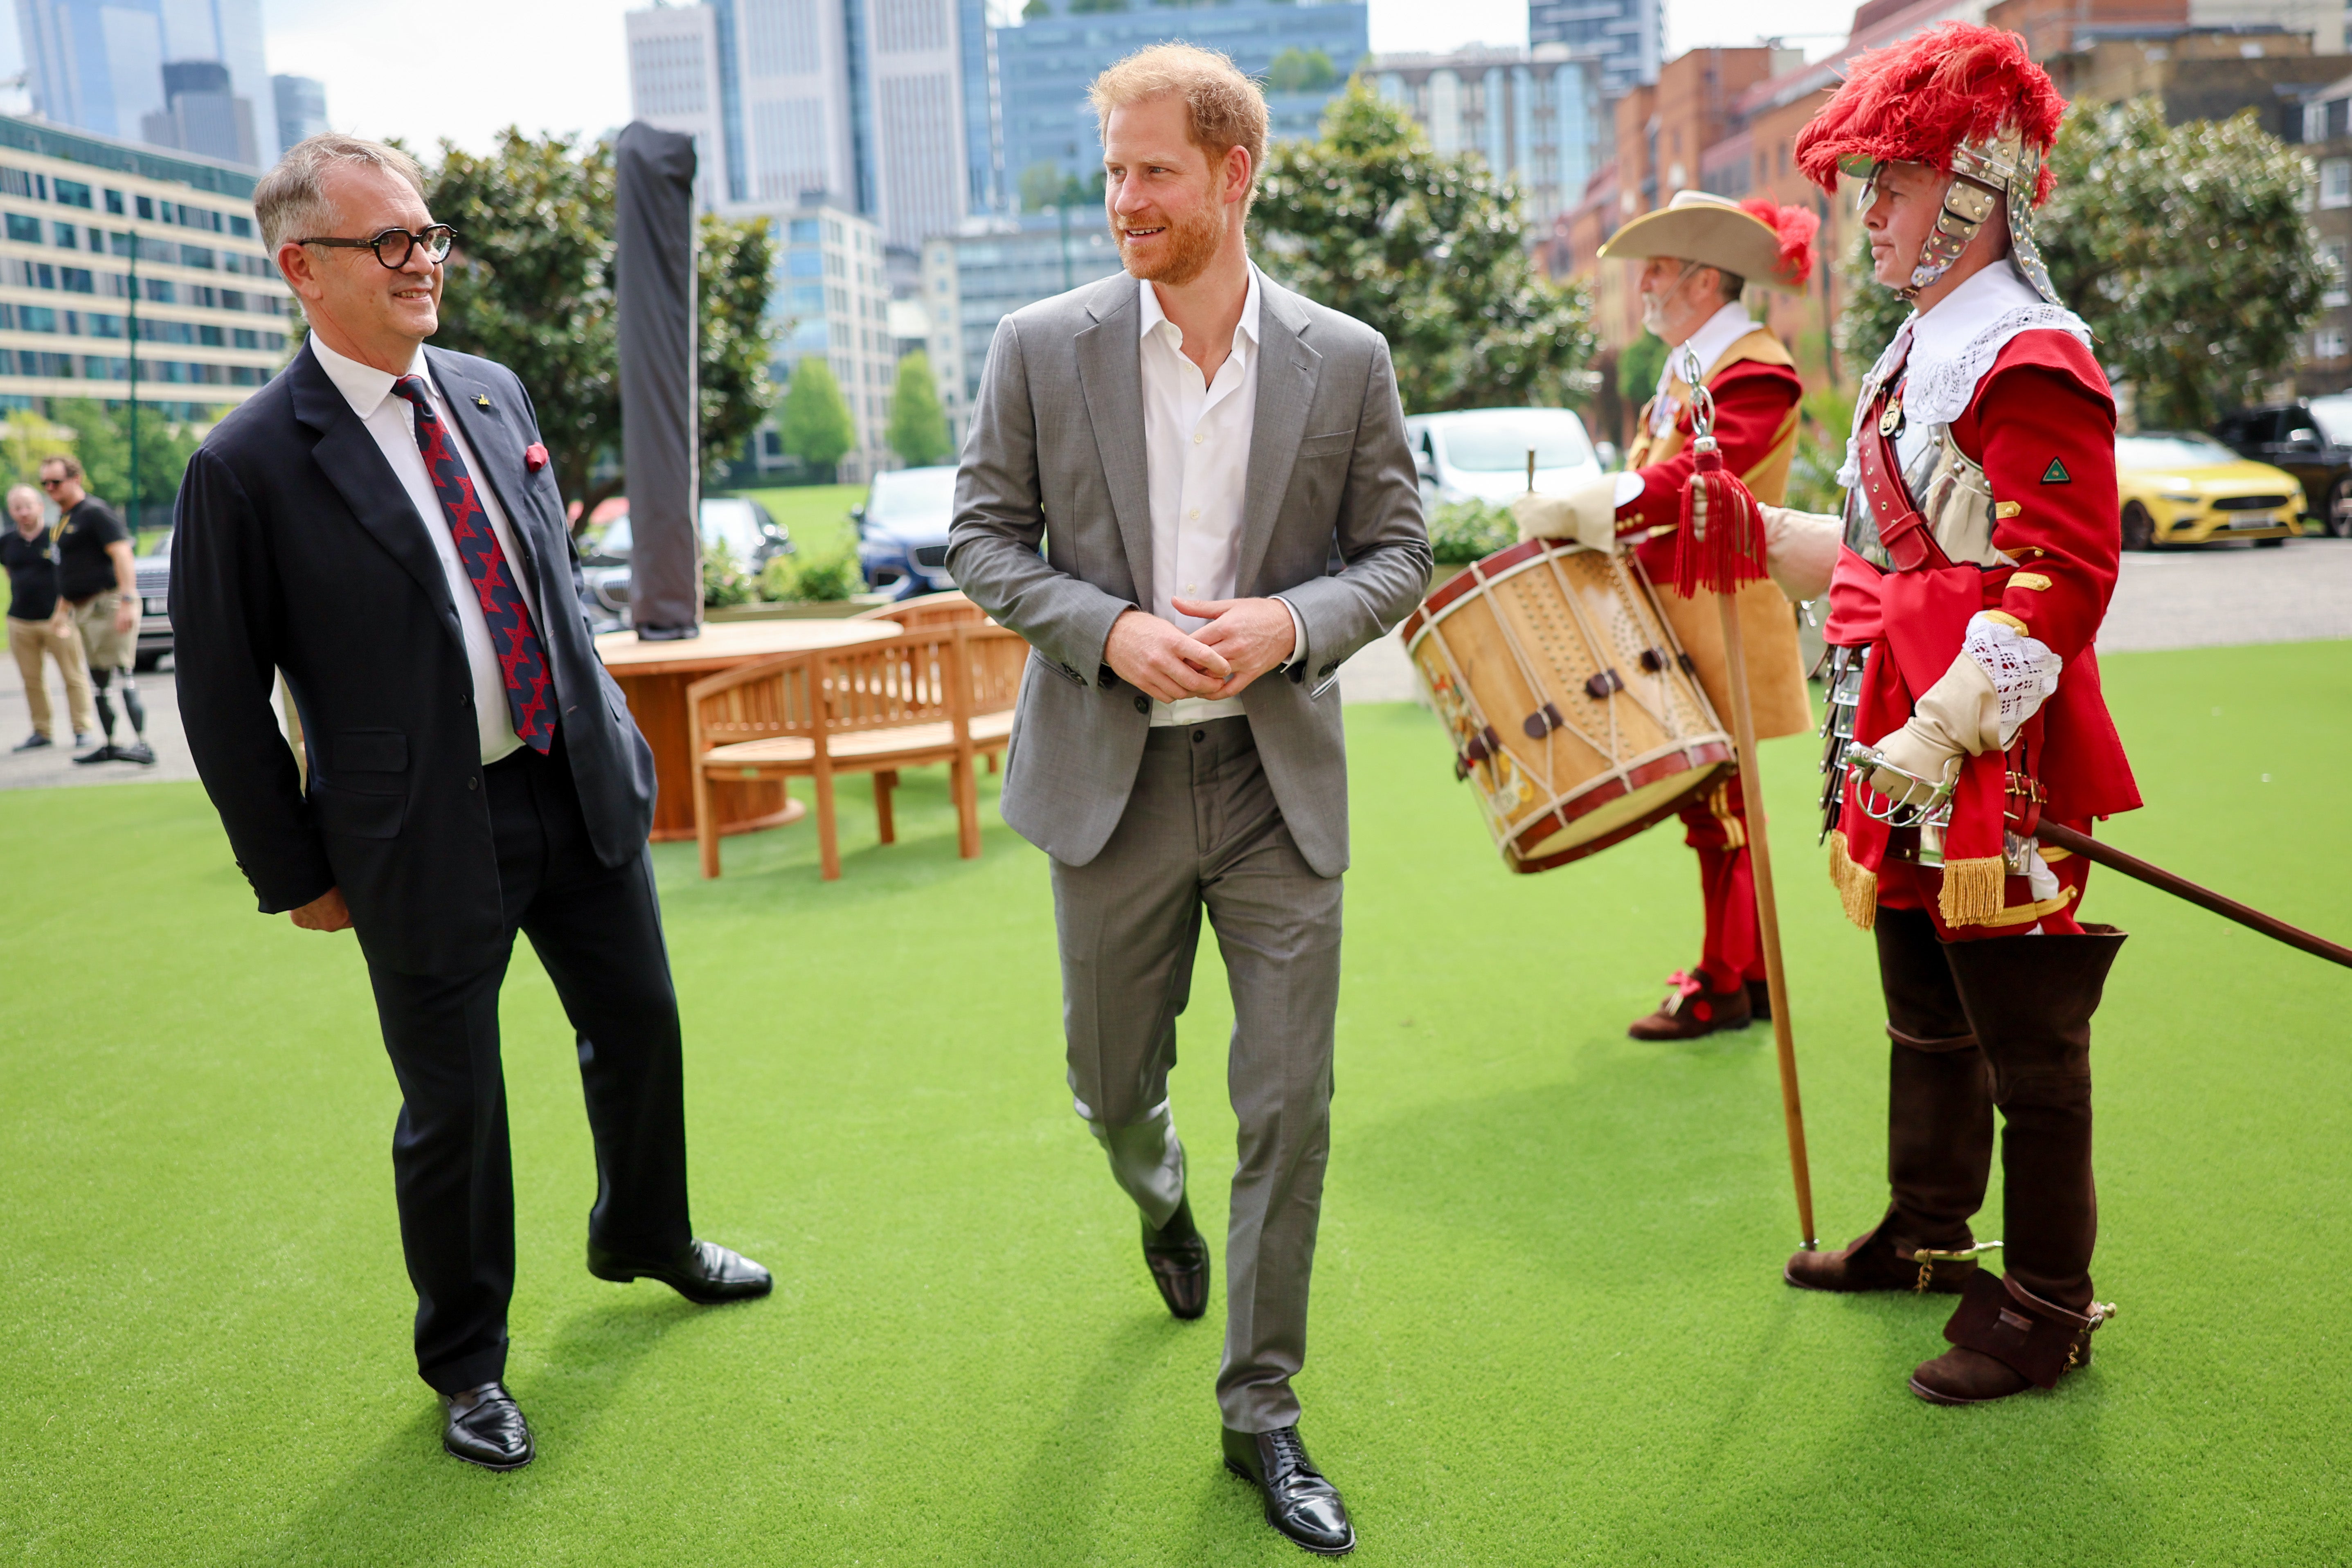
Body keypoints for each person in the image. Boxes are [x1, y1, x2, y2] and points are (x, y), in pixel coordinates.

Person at [170, 133, 771, 1472]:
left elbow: (550, 595)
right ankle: (467, 1365)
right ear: (300, 270)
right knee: (456, 1107)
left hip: (574, 788)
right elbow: (218, 700)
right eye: (389, 242)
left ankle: (646, 1231)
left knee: (642, 1026)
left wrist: (612, 741)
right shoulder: (247, 464)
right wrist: (295, 871)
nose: (422, 262)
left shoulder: (492, 395)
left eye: (429, 235)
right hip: (413, 837)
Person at [949, 45, 1429, 1556]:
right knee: (1109, 1084)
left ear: (1233, 176)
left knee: (1287, 1108)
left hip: (1277, 786)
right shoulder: (1039, 344)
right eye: (1110, 172)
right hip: (1111, 781)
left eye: (1151, 172)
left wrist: (1288, 624)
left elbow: (1396, 551)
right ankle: (1153, 1192)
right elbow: (979, 540)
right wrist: (1109, 630)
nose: (1121, 201)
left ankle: (1260, 1412)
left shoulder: (1342, 358)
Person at [1769, 24, 2140, 1405]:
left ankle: (2043, 1301)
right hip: (1898, 729)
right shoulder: (1916, 349)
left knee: (2025, 1041)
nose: (1865, 210)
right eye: (1865, 184)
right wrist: (1738, 527)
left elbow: (2061, 576)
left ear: (1973, 196)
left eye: (1892, 181)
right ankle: (1926, 1229)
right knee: (1921, 1003)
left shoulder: (2025, 352)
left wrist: (1947, 722)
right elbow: (1887, 559)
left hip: (1996, 749)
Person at [1512, 191, 1820, 1040]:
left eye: (1656, 268)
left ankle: (1722, 982)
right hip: (1680, 614)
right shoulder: (1694, 368)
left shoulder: (1754, 366)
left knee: (1722, 809)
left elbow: (1696, 481)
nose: (1642, 283)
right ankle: (1746, 974)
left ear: (1702, 279)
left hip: (1720, 613)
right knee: (1712, 807)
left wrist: (1593, 500)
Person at [46, 455, 153, 765]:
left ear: (76, 479)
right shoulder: (64, 519)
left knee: (122, 673)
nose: (50, 488)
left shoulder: (95, 512)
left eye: (56, 481)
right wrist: (61, 612)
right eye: (46, 483)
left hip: (107, 603)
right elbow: (69, 571)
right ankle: (111, 744)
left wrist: (128, 600)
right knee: (98, 679)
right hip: (82, 608)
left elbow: (122, 553)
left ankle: (143, 744)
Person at [4, 481, 98, 751]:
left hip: (57, 618)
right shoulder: (7, 541)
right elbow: (10, 571)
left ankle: (82, 728)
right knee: (32, 680)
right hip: (21, 619)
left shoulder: (56, 536)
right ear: (12, 511)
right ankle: (41, 730)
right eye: (18, 508)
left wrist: (62, 611)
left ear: (39, 506)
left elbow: (70, 575)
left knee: (73, 675)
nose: (24, 512)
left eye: (28, 506)